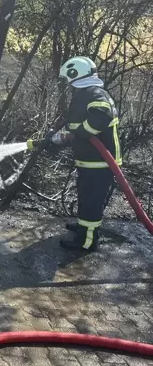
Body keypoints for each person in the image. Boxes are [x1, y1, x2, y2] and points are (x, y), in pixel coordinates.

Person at [51, 56, 121, 252]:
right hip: (89, 160)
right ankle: (83, 227)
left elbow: (101, 117)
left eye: (68, 79)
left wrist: (77, 134)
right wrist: (60, 134)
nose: (67, 84)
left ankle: (86, 242)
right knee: (85, 196)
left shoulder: (95, 94)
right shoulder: (85, 94)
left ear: (76, 75)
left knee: (91, 201)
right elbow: (75, 122)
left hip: (101, 163)